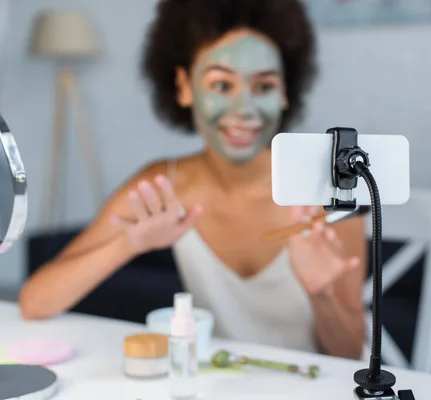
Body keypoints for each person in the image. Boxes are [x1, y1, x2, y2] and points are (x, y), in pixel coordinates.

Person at [19, 0, 367, 360]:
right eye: (221, 84)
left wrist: (322, 295)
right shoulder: (164, 184)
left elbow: (351, 354)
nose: (244, 108)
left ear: (284, 93)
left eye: (263, 86)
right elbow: (34, 302)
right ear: (184, 86)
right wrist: (127, 243)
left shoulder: (330, 193)